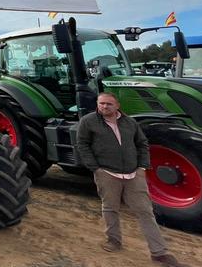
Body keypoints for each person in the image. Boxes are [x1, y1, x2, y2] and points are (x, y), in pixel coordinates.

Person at [76, 92, 187, 267]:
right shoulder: (88, 121)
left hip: (134, 173)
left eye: (109, 104)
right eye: (101, 103)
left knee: (145, 211)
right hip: (107, 172)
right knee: (110, 207)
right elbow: (82, 144)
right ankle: (113, 240)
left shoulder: (130, 122)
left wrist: (142, 166)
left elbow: (142, 143)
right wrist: (95, 168)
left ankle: (159, 253)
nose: (105, 107)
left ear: (117, 105)